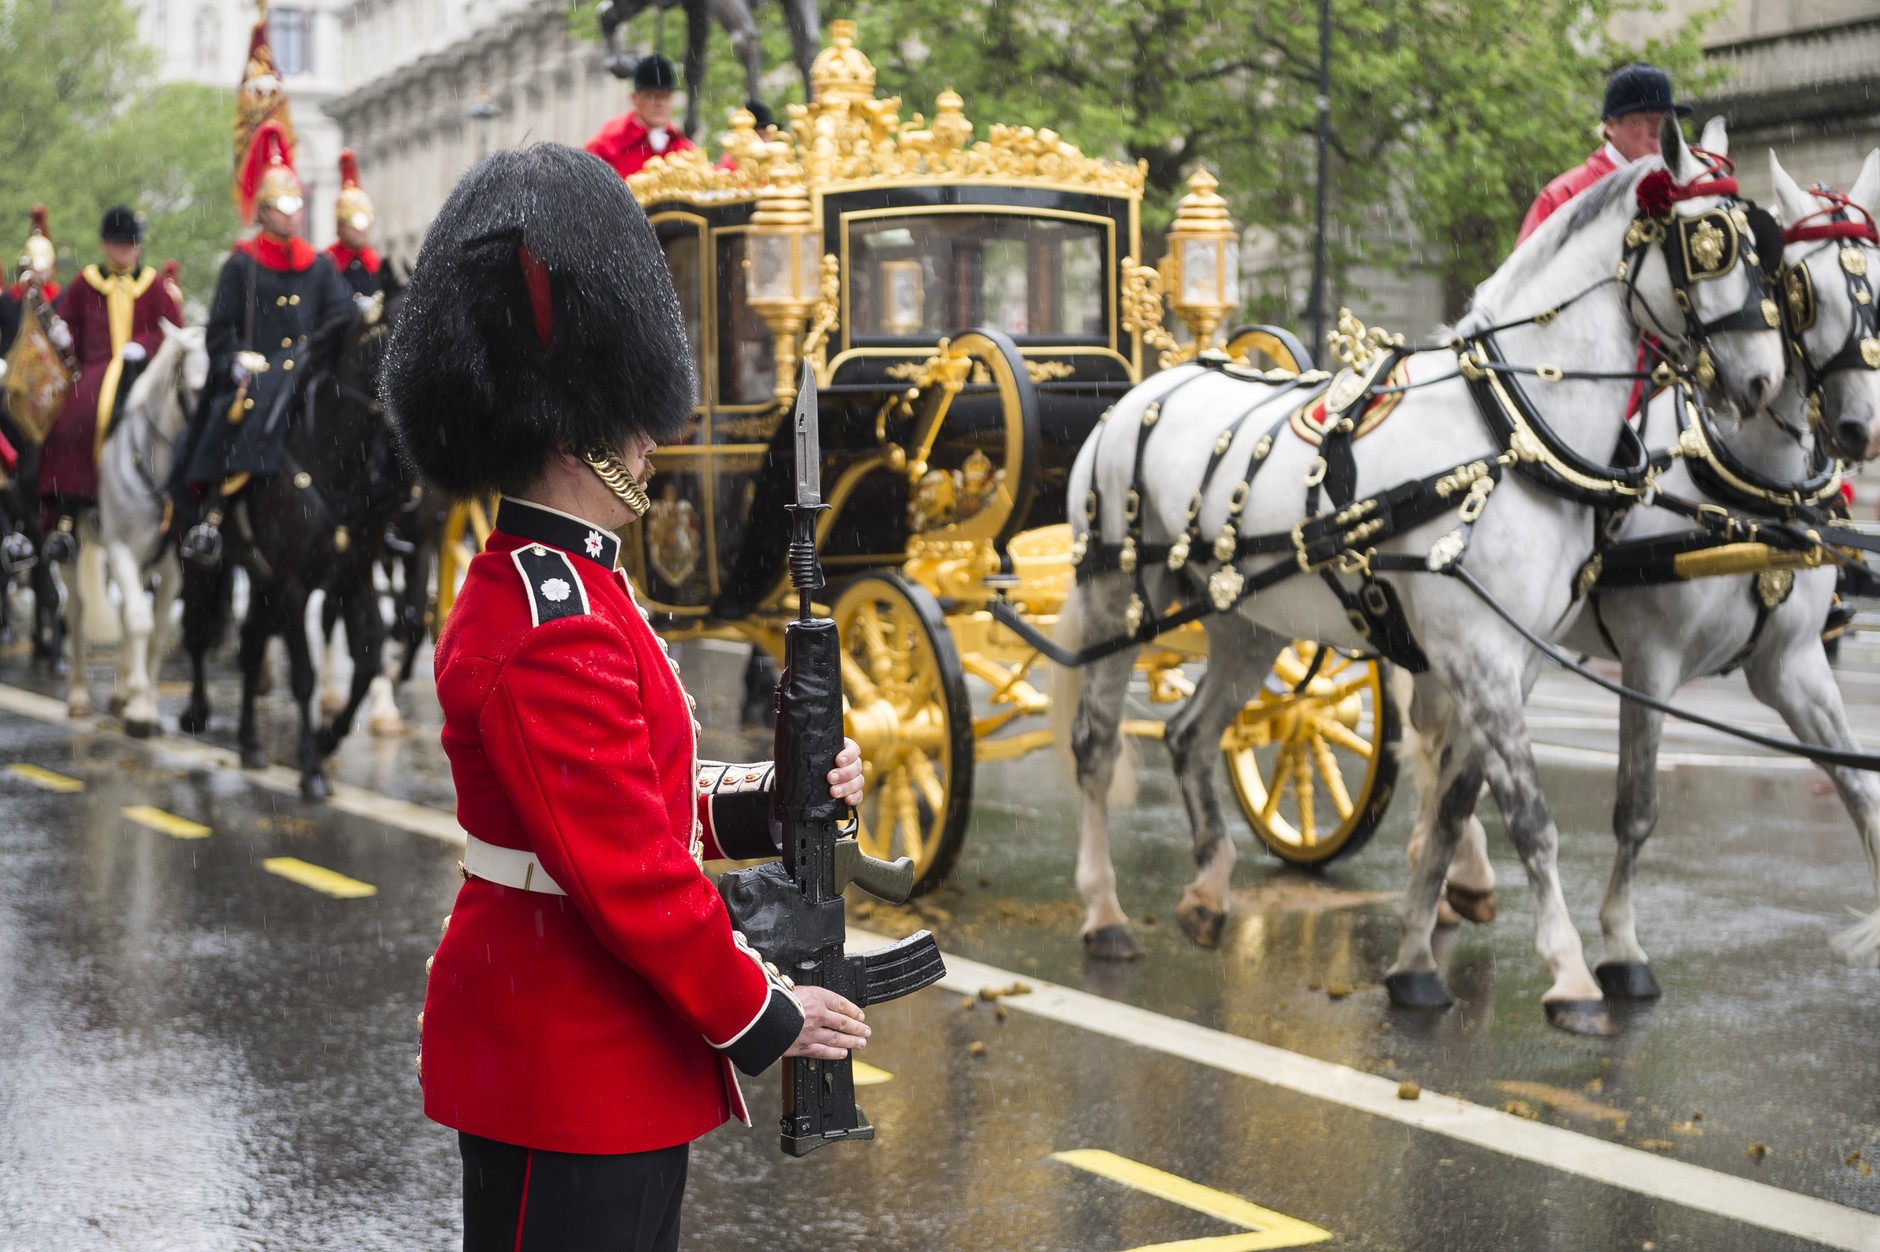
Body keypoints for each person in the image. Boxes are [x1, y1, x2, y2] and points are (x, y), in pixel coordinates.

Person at [382, 142, 871, 1252]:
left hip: (605, 1058)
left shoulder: (581, 590)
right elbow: (629, 873)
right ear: (574, 426)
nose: (652, 440)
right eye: (633, 418)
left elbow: (631, 791)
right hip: (560, 1064)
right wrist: (765, 1008)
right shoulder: (544, 624)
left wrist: (775, 794)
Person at [171, 122, 352, 565]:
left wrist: (320, 343)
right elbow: (219, 330)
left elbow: (341, 314)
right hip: (256, 373)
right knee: (233, 417)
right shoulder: (241, 266)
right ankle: (214, 512)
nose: (293, 214)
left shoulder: (320, 267)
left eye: (297, 205)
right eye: (283, 206)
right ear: (265, 211)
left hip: (308, 368)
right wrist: (235, 359)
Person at [37, 206, 183, 563]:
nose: (129, 251)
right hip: (96, 371)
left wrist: (145, 346)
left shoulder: (153, 286)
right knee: (70, 422)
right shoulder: (86, 283)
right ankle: (67, 513)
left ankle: (187, 507)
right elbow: (67, 327)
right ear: (106, 246)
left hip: (144, 371)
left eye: (133, 244)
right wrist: (61, 333)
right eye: (121, 244)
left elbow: (173, 330)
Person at [1518, 62, 1692, 244]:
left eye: (1667, 120)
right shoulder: (1562, 196)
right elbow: (1524, 272)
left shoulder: (1684, 188)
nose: (1660, 130)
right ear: (1610, 125)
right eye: (1648, 119)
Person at [585, 54, 697, 179]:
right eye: (651, 96)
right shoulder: (609, 143)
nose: (659, 103)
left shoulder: (683, 147)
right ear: (634, 98)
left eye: (665, 96)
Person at [324, 149, 382, 302]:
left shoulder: (376, 263)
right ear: (340, 225)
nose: (360, 230)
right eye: (353, 223)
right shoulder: (327, 264)